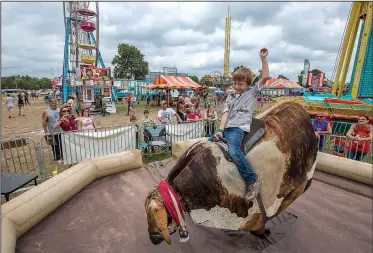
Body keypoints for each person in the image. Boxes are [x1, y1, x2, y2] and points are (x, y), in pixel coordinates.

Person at [214, 48, 270, 203]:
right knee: (209, 143)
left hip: (238, 129)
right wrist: (220, 130)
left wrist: (263, 59)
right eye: (235, 83)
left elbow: (265, 77)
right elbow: (225, 114)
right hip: (227, 128)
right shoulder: (230, 96)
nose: (237, 86)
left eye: (240, 84)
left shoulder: (252, 93)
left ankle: (252, 181)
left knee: (234, 152)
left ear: (248, 84)